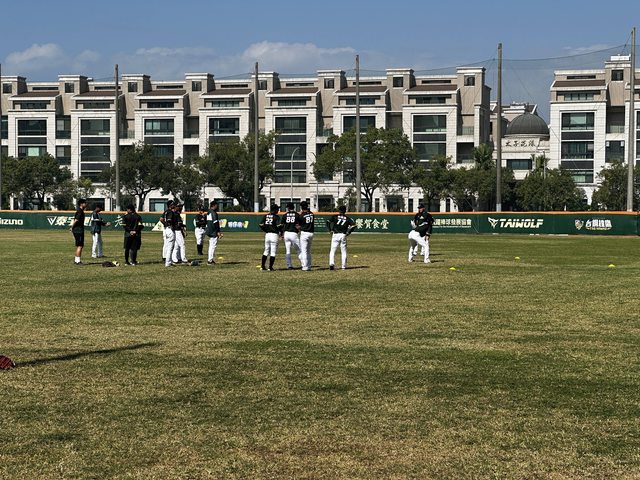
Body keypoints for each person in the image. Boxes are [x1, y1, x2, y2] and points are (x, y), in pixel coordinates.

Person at [326, 205, 356, 270]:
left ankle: (331, 264)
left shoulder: (335, 216)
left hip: (335, 234)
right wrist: (348, 232)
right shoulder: (347, 218)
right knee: (343, 251)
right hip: (343, 235)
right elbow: (354, 225)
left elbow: (328, 222)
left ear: (339, 211)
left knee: (332, 250)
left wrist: (330, 230)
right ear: (345, 211)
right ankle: (343, 266)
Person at [259, 204, 281, 271]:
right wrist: (281, 231)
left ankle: (262, 266)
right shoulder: (276, 217)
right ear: (275, 210)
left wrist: (265, 230)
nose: (278, 210)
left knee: (266, 251)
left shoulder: (266, 216)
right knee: (273, 252)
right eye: (277, 209)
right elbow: (279, 226)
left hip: (267, 234)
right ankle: (270, 267)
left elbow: (261, 224)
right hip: (274, 235)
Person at [281, 202, 302, 270]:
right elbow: (300, 225)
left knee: (288, 250)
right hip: (293, 233)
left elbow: (282, 225)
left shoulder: (285, 215)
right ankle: (304, 264)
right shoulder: (297, 215)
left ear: (288, 208)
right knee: (299, 250)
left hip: (286, 233)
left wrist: (281, 234)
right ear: (294, 207)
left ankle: (289, 265)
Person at [205, 200, 223, 265]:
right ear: (214, 205)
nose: (217, 206)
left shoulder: (208, 212)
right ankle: (210, 260)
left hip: (209, 230)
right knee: (212, 246)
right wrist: (218, 231)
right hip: (213, 231)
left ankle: (210, 259)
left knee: (211, 245)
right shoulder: (213, 213)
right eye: (216, 205)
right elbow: (215, 223)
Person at [70, 198, 87, 265]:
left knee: (79, 246)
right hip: (78, 230)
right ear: (81, 204)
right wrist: (72, 227)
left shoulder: (80, 211)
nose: (86, 204)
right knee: (80, 246)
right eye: (85, 203)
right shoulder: (80, 211)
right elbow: (76, 220)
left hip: (78, 230)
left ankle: (76, 260)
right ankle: (78, 261)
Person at [299, 201, 315, 271]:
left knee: (304, 251)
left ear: (301, 207)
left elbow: (299, 225)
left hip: (304, 233)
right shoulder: (312, 214)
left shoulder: (301, 215)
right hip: (311, 233)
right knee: (308, 251)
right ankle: (309, 265)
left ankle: (305, 266)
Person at [160, 200, 175, 264]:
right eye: (173, 204)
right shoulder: (170, 212)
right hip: (169, 229)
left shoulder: (166, 211)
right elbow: (169, 220)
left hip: (166, 229)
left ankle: (166, 258)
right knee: (170, 246)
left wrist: (165, 224)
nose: (174, 205)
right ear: (170, 205)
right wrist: (170, 225)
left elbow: (161, 219)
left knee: (166, 244)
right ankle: (168, 261)